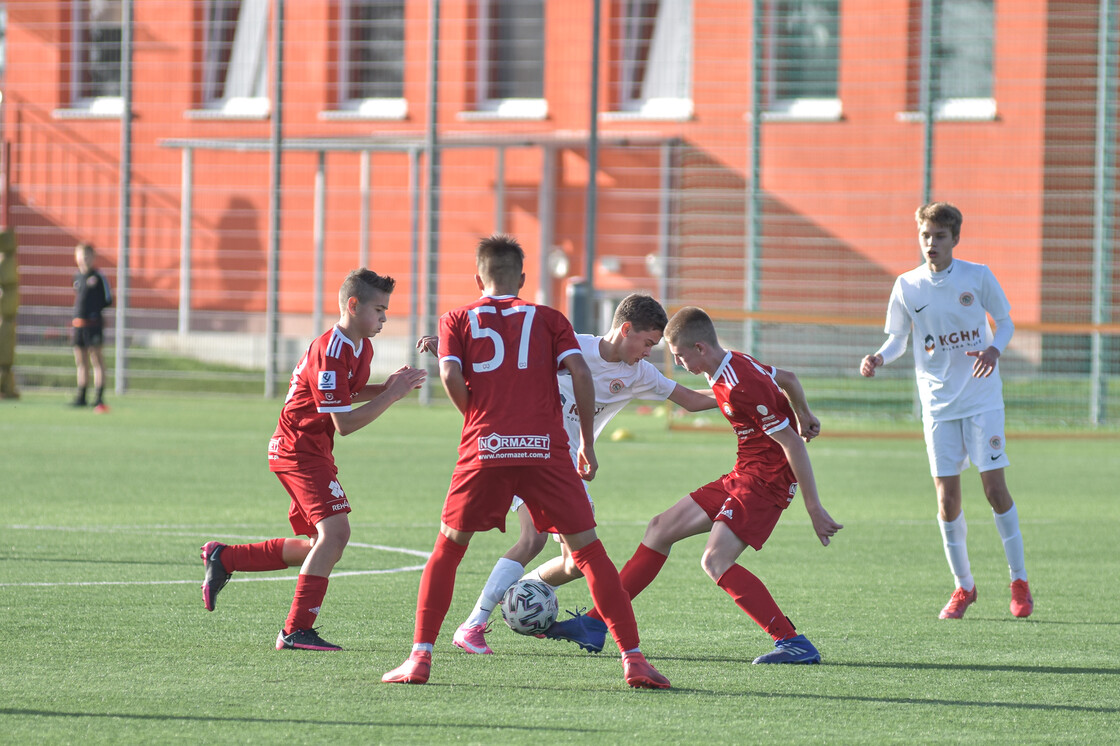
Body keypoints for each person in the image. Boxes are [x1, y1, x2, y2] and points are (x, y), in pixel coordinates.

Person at [381, 234, 670, 689]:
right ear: (522, 278)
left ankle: (420, 658)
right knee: (590, 554)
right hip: (545, 449)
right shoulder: (550, 319)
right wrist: (587, 448)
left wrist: (475, 415)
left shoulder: (457, 318)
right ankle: (633, 660)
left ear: (478, 277)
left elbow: (450, 372)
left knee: (449, 550)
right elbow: (578, 372)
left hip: (486, 444)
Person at [420, 293, 717, 656]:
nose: (648, 352)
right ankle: (473, 625)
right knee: (533, 539)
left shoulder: (639, 374)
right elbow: (508, 358)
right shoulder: (571, 346)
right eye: (648, 343)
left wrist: (741, 388)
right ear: (625, 329)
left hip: (561, 468)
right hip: (525, 449)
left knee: (575, 563)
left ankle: (513, 595)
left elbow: (691, 399)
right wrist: (454, 351)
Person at [548, 306, 843, 664]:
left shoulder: (739, 384)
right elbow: (790, 378)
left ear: (699, 349)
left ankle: (792, 641)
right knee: (659, 528)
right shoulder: (732, 363)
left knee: (715, 559)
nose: (678, 362)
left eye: (678, 356)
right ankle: (596, 625)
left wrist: (814, 507)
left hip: (766, 481)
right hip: (745, 472)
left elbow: (792, 444)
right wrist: (805, 414)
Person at [199, 269, 426, 651]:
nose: (385, 318)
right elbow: (346, 423)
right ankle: (294, 630)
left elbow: (344, 393)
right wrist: (392, 396)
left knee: (317, 546)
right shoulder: (332, 349)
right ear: (352, 306)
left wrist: (384, 387)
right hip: (297, 450)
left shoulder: (359, 347)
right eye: (379, 309)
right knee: (336, 535)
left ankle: (226, 558)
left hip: (312, 449)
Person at [860, 201, 1033, 620]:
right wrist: (880, 358)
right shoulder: (907, 285)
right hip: (937, 405)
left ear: (955, 238)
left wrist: (994, 349)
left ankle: (1020, 582)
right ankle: (964, 587)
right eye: (925, 236)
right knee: (947, 500)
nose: (931, 243)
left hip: (981, 400)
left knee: (994, 490)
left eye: (939, 236)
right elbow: (898, 338)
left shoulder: (978, 276)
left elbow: (1005, 321)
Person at [71, 243, 112, 412]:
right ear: (76, 257)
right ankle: (81, 396)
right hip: (78, 325)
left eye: (87, 255)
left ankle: (99, 397)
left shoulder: (99, 276)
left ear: (93, 257)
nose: (84, 259)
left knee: (96, 359)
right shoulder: (77, 277)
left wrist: (95, 313)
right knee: (80, 361)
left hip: (94, 325)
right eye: (81, 255)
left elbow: (108, 299)